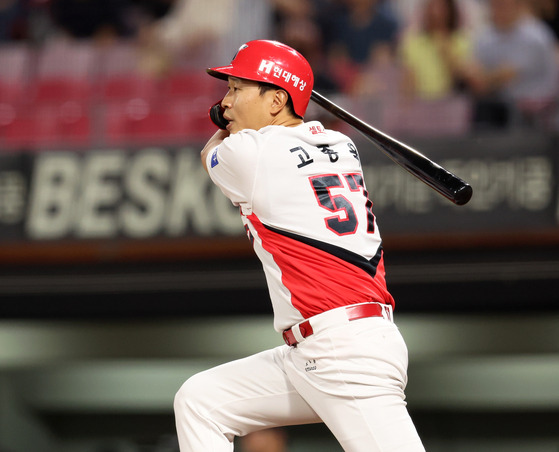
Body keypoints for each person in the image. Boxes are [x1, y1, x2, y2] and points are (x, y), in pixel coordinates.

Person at [173, 39, 425, 452]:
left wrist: (222, 120)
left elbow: (210, 152)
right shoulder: (342, 145)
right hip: (320, 348)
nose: (226, 102)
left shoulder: (250, 154)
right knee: (202, 400)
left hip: (344, 353)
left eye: (237, 89)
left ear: (275, 101)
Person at [468, 0, 559, 128]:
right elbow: (474, 77)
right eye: (494, 5)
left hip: (538, 115)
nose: (497, 9)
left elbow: (505, 75)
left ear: (519, 6)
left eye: (502, 5)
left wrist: (483, 78)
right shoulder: (485, 37)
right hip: (500, 108)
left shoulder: (535, 36)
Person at [399, 0, 474, 100]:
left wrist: (447, 53)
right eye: (431, 7)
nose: (435, 12)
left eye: (441, 7)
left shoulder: (461, 41)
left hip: (451, 101)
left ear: (450, 11)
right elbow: (405, 80)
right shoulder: (412, 43)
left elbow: (467, 80)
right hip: (420, 103)